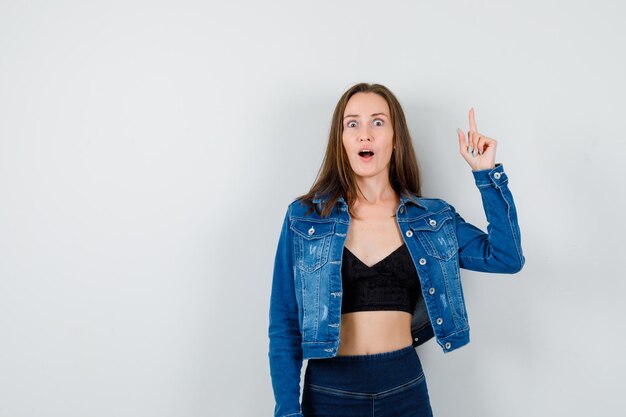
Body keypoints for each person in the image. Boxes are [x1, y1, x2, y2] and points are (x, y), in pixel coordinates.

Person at [267, 82, 525, 417]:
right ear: (341, 139)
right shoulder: (305, 218)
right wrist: (287, 411)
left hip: (404, 391)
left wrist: (486, 174)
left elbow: (506, 257)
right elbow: (284, 323)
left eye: (377, 122)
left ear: (395, 137)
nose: (365, 134)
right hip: (330, 393)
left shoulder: (431, 218)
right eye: (352, 123)